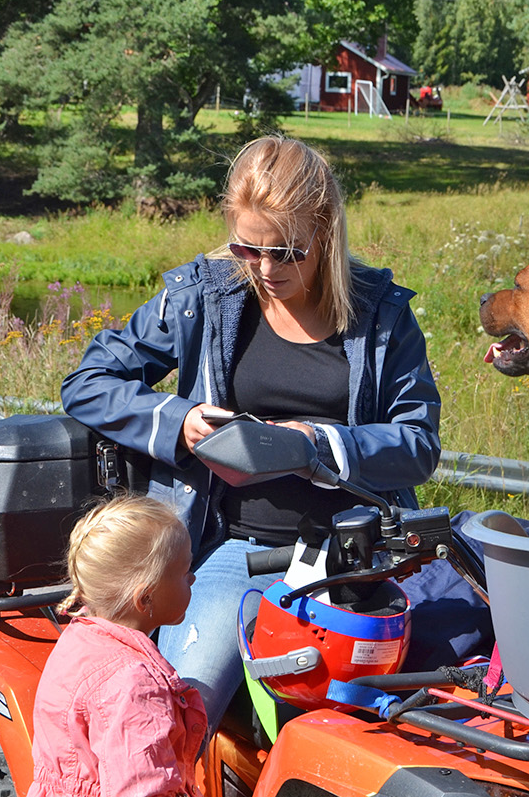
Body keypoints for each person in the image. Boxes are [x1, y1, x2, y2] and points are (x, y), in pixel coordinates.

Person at [62, 135, 442, 731]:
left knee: (416, 727)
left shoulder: (381, 314)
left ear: (325, 231)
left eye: (287, 252)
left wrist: (318, 445)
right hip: (238, 553)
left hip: (355, 562)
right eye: (247, 248)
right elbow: (87, 382)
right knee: (174, 720)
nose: (265, 271)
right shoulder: (203, 297)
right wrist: (178, 422)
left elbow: (418, 443)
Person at [25, 494, 238, 797]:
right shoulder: (134, 683)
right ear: (145, 597)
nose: (194, 577)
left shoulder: (80, 643)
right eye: (184, 572)